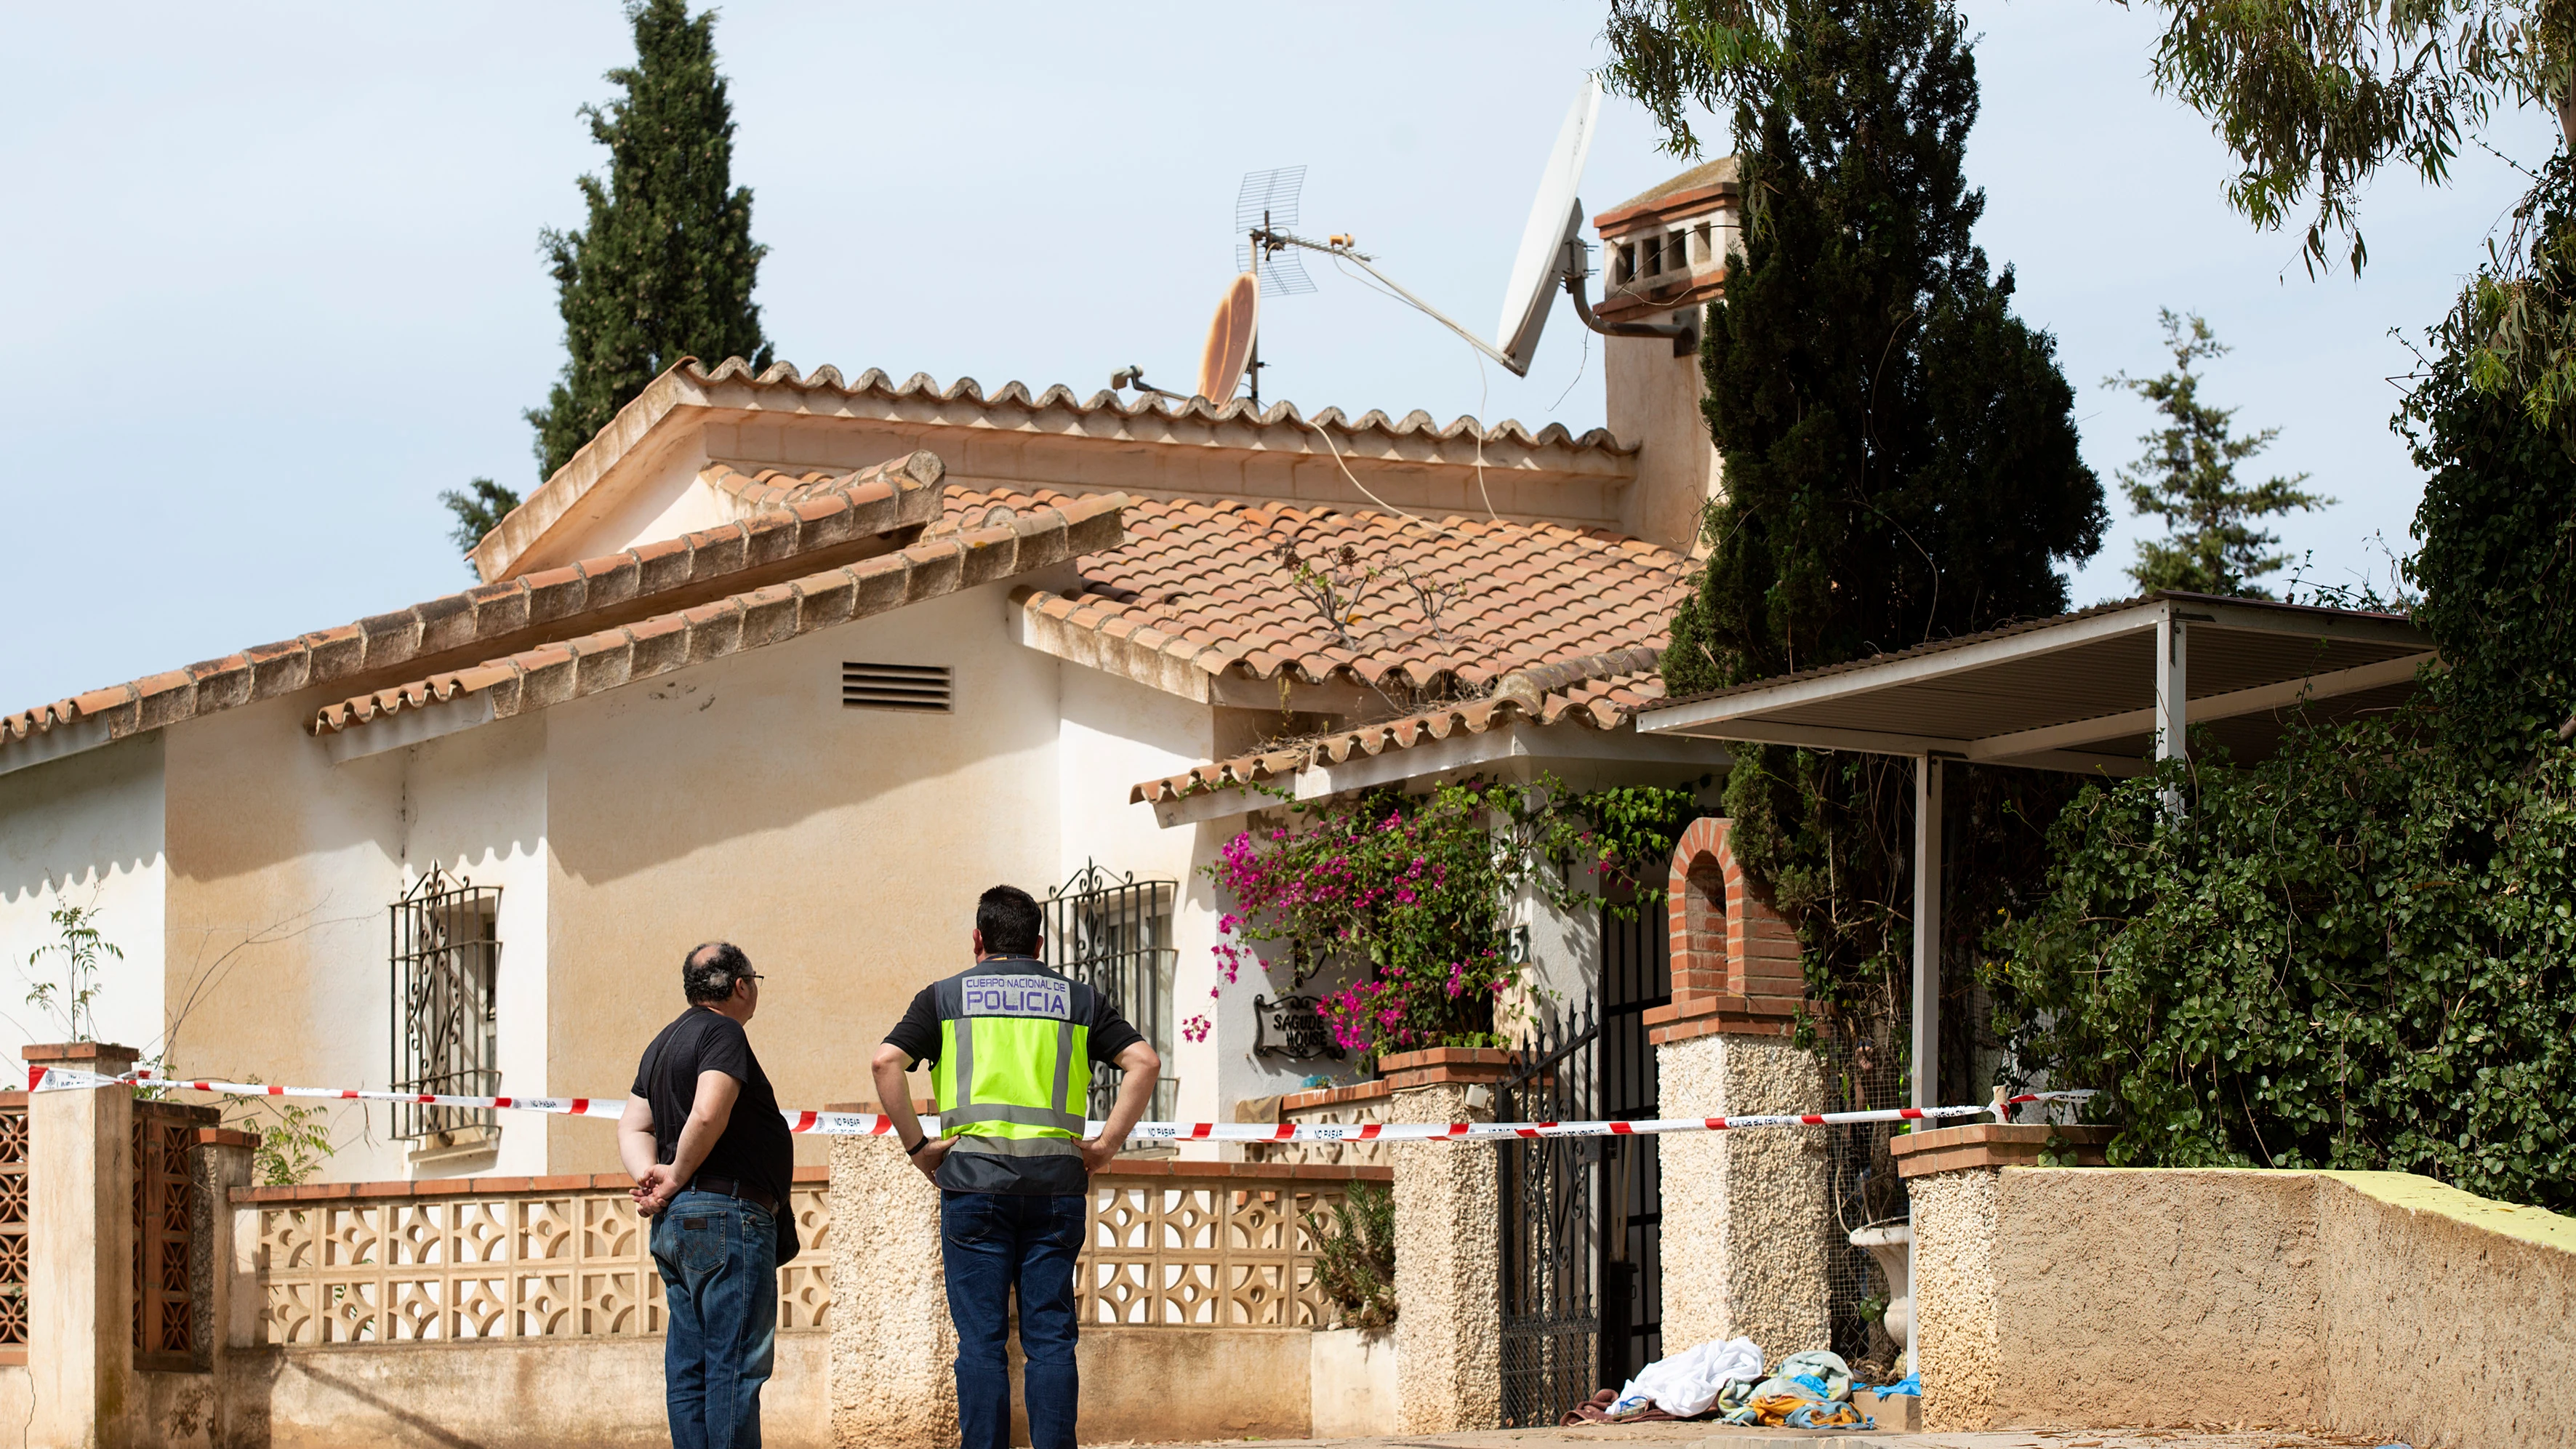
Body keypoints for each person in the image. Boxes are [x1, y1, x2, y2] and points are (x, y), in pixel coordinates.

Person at [872, 886, 1161, 1449]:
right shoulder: (1079, 999)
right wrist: (1105, 1144)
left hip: (973, 1184)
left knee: (980, 1343)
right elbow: (1143, 1061)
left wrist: (917, 1148)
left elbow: (886, 1061)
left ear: (978, 939)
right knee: (1049, 1338)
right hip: (1055, 1187)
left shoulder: (943, 997)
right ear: (1039, 942)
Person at [621, 941, 793, 1449]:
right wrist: (671, 1176)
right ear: (741, 985)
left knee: (691, 1370)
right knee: (735, 1369)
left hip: (677, 1223)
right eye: (754, 979)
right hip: (727, 1217)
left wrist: (650, 1180)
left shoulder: (662, 1042)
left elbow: (632, 1125)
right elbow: (708, 1112)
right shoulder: (724, 1032)